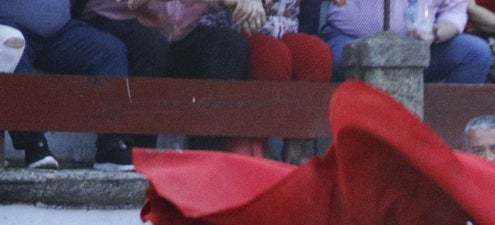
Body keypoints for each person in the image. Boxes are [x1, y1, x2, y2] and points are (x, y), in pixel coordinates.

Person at [82, 0, 259, 152]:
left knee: (229, 46)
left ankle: (206, 162)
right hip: (113, 24)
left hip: (173, 35)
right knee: (151, 46)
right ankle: (138, 158)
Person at [0, 2, 134, 170]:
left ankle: (111, 147)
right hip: (10, 29)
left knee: (110, 51)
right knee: (11, 46)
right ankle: (34, 145)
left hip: (60, 33)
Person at [200, 0, 334, 162]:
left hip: (284, 29)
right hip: (231, 30)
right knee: (272, 56)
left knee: (316, 54)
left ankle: (296, 144)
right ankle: (256, 144)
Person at [321, 0, 492, 83]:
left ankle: (443, 142)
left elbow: (454, 12)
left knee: (475, 53)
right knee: (338, 60)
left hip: (419, 46)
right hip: (352, 38)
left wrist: (434, 33)